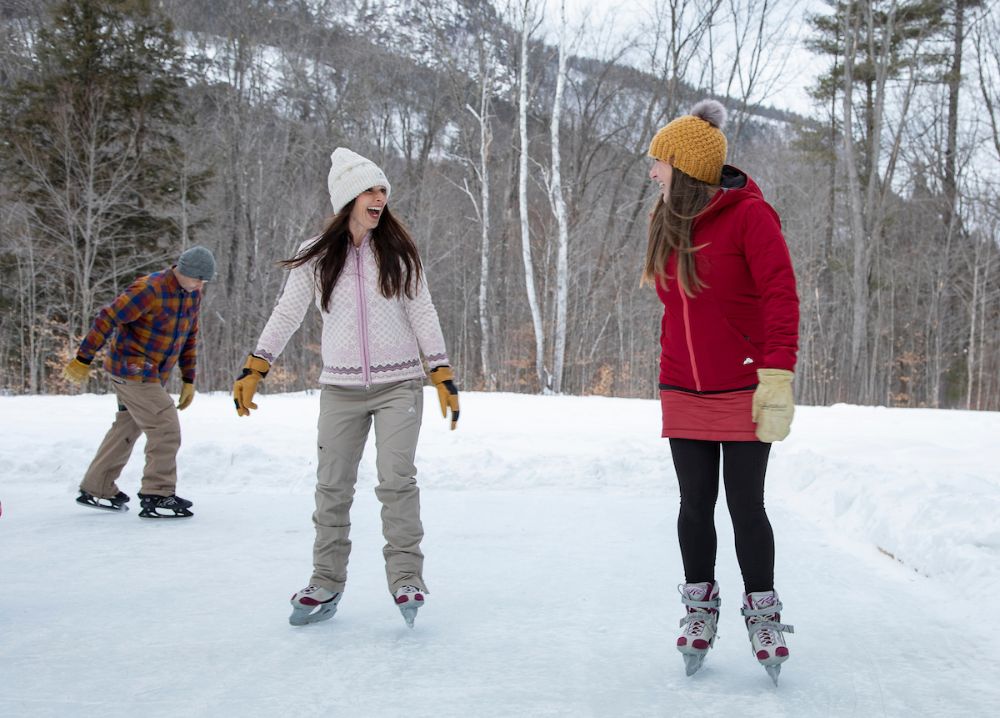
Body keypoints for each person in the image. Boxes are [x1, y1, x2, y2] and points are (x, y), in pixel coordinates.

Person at [233, 147, 459, 629]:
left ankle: (405, 577)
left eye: (383, 191)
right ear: (349, 197)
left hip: (399, 384)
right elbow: (286, 314)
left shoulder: (400, 251)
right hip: (339, 390)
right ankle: (325, 581)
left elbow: (423, 313)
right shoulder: (316, 255)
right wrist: (256, 366)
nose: (380, 198)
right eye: (372, 190)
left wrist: (440, 372)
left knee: (396, 481)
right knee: (331, 488)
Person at [644, 100, 799, 683]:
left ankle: (762, 612)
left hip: (743, 384)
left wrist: (777, 373)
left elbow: (781, 295)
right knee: (693, 505)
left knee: (745, 506)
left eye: (659, 162)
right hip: (682, 383)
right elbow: (675, 302)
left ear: (683, 167)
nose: (652, 172)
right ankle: (699, 610)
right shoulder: (666, 218)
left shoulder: (751, 216)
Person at [63, 245, 217, 519]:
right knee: (166, 427)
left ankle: (96, 487)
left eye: (203, 281)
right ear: (182, 271)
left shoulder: (192, 294)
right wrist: (84, 358)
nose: (199, 285)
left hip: (153, 373)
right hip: (131, 369)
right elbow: (108, 316)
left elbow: (189, 337)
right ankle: (157, 493)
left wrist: (188, 378)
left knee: (127, 426)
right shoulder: (150, 289)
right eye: (197, 279)